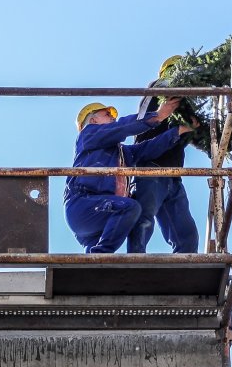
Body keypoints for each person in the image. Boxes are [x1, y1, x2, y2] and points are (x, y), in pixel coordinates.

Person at [64, 98, 193, 253]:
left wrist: (178, 131)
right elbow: (121, 128)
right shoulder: (89, 134)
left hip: (101, 211)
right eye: (107, 114)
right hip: (85, 204)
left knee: (93, 259)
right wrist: (157, 116)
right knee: (129, 208)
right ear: (93, 120)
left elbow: (147, 148)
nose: (113, 117)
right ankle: (102, 255)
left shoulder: (122, 153)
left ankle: (96, 269)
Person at [127, 57, 199, 253]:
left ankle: (185, 273)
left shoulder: (187, 102)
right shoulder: (158, 87)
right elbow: (144, 122)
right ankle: (133, 264)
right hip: (150, 169)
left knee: (187, 233)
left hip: (173, 176)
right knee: (144, 221)